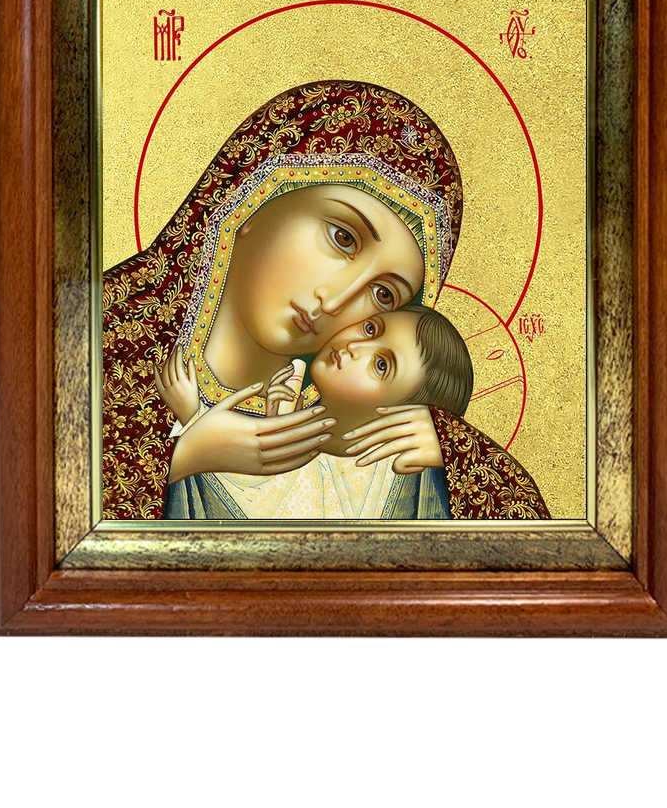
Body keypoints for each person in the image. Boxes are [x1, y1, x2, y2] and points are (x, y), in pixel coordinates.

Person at [103, 80, 548, 521]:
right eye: (342, 238)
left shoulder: (389, 454)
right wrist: (184, 457)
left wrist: (452, 449)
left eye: (383, 294)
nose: (336, 302)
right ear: (253, 201)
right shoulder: (100, 336)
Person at [156, 305, 477, 520]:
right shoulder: (298, 424)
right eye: (370, 328)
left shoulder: (389, 480)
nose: (355, 346)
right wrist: (276, 425)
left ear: (403, 417)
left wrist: (192, 418)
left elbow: (274, 522)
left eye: (381, 365)